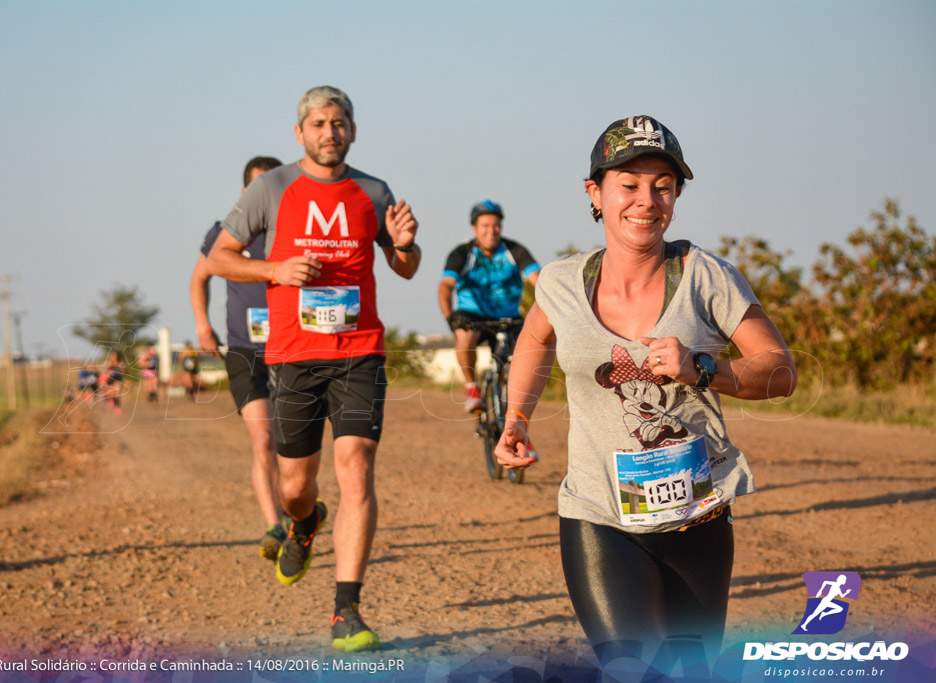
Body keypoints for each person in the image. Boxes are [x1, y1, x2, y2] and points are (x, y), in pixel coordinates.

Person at [495, 115, 797, 660]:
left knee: (690, 668)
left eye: (663, 186)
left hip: (695, 516)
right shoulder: (562, 281)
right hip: (598, 514)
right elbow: (534, 340)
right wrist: (516, 417)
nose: (647, 201)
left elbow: (779, 370)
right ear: (596, 192)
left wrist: (705, 369)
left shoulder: (707, 276)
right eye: (629, 184)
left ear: (677, 194)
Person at [207, 85, 420, 652]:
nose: (331, 131)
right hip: (294, 355)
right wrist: (275, 269)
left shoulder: (374, 191)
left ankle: (346, 612)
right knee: (295, 485)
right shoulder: (270, 188)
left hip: (359, 350)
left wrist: (404, 246)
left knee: (357, 466)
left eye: (340, 121)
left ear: (352, 129)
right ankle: (304, 522)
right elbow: (219, 258)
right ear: (299, 132)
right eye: (319, 123)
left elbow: (404, 269)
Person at [189, 154, 289, 562]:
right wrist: (202, 326)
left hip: (290, 347)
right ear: (245, 191)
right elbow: (200, 277)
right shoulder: (224, 233)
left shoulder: (292, 231)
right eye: (260, 186)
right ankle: (275, 526)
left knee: (290, 442)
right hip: (244, 349)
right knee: (263, 440)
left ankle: (298, 510)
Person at [439, 200, 540, 412]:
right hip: (472, 314)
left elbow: (537, 279)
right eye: (485, 226)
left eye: (496, 226)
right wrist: (450, 317)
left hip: (509, 316)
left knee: (522, 363)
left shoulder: (514, 250)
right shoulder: (462, 253)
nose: (491, 231)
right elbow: (446, 286)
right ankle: (472, 388)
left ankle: (512, 420)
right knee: (465, 336)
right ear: (474, 228)